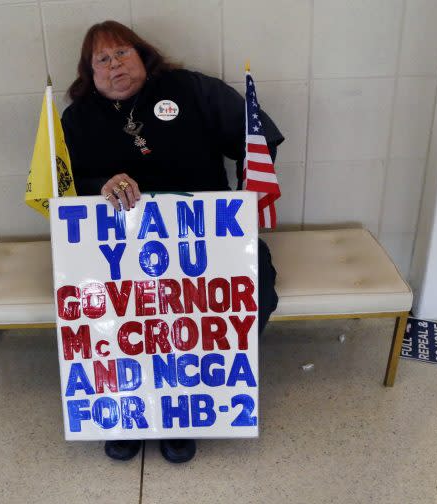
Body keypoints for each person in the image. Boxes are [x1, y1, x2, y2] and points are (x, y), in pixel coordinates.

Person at [61, 20, 283, 464]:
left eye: (122, 53)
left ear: (143, 56)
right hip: (117, 252)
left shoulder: (192, 89)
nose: (114, 65)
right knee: (107, 311)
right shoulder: (77, 117)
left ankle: (186, 405)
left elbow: (258, 137)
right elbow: (62, 184)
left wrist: (242, 200)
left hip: (206, 243)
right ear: (90, 73)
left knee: (256, 294)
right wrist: (99, 184)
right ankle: (129, 409)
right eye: (101, 60)